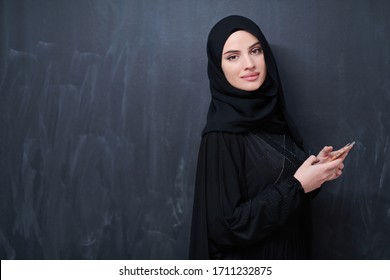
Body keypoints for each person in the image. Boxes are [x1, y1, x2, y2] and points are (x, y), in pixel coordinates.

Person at [189, 15, 351, 260]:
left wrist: (314, 173)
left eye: (255, 51)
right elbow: (227, 227)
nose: (249, 64)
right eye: (233, 56)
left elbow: (275, 189)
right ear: (218, 67)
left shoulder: (275, 120)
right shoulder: (221, 135)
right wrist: (297, 186)